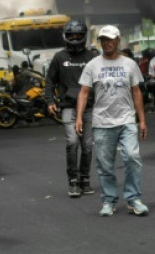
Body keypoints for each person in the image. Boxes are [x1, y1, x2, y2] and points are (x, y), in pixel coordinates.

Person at [75, 25, 149, 217]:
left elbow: (136, 92)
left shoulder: (129, 64)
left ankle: (134, 199)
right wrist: (79, 118)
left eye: (110, 40)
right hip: (102, 123)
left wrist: (142, 120)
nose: (107, 43)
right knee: (105, 164)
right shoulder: (92, 65)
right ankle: (109, 201)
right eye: (103, 40)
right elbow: (83, 93)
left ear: (118, 41)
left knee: (132, 157)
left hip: (126, 120)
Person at [45, 20, 98, 198]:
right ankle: (73, 181)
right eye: (71, 35)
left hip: (89, 108)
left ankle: (85, 179)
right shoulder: (59, 57)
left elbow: (99, 83)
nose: (75, 38)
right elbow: (50, 80)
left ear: (84, 36)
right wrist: (50, 100)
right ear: (65, 37)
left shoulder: (91, 57)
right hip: (68, 107)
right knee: (73, 143)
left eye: (78, 35)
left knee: (88, 146)